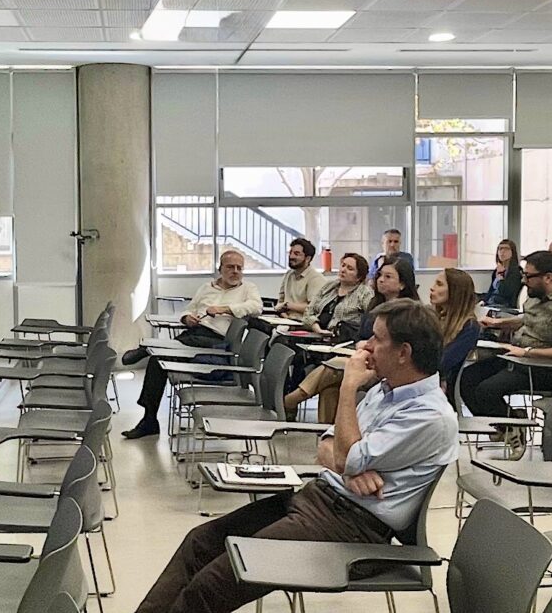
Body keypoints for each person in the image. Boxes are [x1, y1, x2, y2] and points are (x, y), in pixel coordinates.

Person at [134, 299, 458, 613]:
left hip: (354, 529)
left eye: (377, 338)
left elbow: (344, 456)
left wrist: (347, 389)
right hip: (321, 500)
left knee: (214, 583)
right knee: (200, 543)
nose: (366, 346)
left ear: (404, 353)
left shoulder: (430, 416)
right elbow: (328, 447)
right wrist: (349, 465)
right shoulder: (385, 390)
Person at [122, 250, 262, 439]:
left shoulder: (248, 289)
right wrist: (187, 318)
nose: (235, 271)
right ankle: (149, 419)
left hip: (217, 347)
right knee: (157, 362)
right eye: (230, 267)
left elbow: (256, 307)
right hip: (194, 335)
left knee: (167, 350)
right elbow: (188, 309)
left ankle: (147, 348)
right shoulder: (207, 288)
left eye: (239, 268)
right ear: (220, 269)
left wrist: (224, 309)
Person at [460, 251, 552, 453]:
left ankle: (512, 425)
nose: (524, 280)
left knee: (486, 390)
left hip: (545, 368)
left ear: (548, 277)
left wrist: (527, 351)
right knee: (466, 378)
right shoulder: (535, 298)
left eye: (529, 276)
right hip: (518, 357)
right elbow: (526, 319)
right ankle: (509, 425)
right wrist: (498, 323)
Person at [284, 256, 418, 423]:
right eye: (380, 275)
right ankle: (328, 437)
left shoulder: (407, 312)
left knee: (335, 366)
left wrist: (367, 346)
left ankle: (292, 399)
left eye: (388, 277)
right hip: (361, 357)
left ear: (402, 284)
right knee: (330, 389)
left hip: (383, 369)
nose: (381, 280)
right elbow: (361, 336)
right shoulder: (375, 304)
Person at [428, 268, 481, 399]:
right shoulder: (431, 316)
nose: (431, 288)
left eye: (439, 284)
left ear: (455, 292)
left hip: (439, 387)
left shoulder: (469, 326)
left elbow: (443, 363)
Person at [301, 253, 373, 339]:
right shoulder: (328, 286)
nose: (343, 270)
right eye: (343, 265)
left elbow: (371, 320)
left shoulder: (365, 293)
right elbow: (308, 312)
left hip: (346, 340)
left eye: (350, 268)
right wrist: (317, 328)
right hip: (316, 335)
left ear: (359, 277)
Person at [272, 237, 327, 322]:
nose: (291, 256)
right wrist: (284, 315)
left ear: (308, 258)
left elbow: (314, 308)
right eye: (290, 252)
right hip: (285, 320)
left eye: (296, 254)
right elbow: (280, 302)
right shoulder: (289, 275)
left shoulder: (315, 278)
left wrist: (288, 306)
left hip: (304, 324)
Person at [480, 239, 522, 309]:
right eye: (500, 249)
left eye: (506, 249)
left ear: (512, 252)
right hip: (492, 301)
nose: (502, 252)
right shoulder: (496, 270)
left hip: (504, 304)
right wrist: (484, 301)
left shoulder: (516, 271)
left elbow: (507, 293)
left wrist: (501, 277)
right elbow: (491, 290)